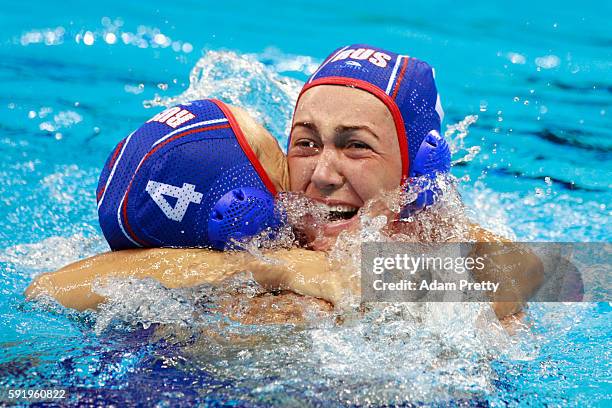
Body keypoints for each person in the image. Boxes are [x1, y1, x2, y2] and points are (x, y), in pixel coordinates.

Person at [26, 44, 543, 321]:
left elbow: (555, 274)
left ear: (415, 168)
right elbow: (46, 289)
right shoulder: (274, 247)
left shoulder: (442, 240)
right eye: (306, 143)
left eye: (356, 145)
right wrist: (274, 266)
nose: (321, 174)